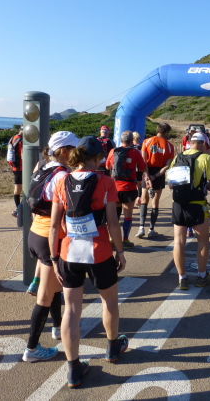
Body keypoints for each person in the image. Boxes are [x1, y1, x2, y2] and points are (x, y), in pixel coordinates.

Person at [49, 136, 128, 389]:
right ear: (97, 158)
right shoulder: (106, 182)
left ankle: (73, 369)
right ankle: (112, 347)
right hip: (99, 253)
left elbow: (54, 226)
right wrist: (120, 252)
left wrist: (53, 258)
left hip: (68, 254)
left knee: (71, 311)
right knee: (109, 302)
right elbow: (113, 222)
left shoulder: (61, 181)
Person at [22, 131, 79, 363]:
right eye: (74, 149)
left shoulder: (43, 168)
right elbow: (69, 210)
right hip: (50, 239)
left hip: (35, 233)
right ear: (64, 151)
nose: (77, 153)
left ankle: (57, 327)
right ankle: (32, 348)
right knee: (44, 298)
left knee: (54, 287)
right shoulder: (63, 176)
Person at [167, 132, 210, 290]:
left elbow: (170, 184)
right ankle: (202, 276)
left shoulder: (178, 157)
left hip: (178, 204)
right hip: (197, 205)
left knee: (178, 242)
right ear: (203, 144)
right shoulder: (206, 158)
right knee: (202, 242)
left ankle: (182, 278)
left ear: (190, 142)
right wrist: (203, 185)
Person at [106, 131, 149, 249]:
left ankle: (112, 239)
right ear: (131, 141)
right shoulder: (135, 152)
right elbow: (143, 168)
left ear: (121, 140)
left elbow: (107, 166)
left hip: (114, 188)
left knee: (114, 215)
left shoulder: (113, 151)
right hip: (129, 187)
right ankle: (125, 240)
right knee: (127, 215)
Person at [137, 123, 174, 239]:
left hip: (147, 171)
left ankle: (141, 227)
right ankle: (151, 230)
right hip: (159, 174)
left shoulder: (146, 141)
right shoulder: (169, 146)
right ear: (166, 132)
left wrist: (147, 176)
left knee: (144, 200)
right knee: (155, 202)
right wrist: (155, 176)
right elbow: (167, 166)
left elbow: (143, 161)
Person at [7, 127, 23, 217]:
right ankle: (20, 209)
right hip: (23, 167)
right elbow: (23, 155)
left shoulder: (13, 138)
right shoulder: (22, 140)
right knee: (29, 189)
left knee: (17, 189)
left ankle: (17, 209)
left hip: (14, 167)